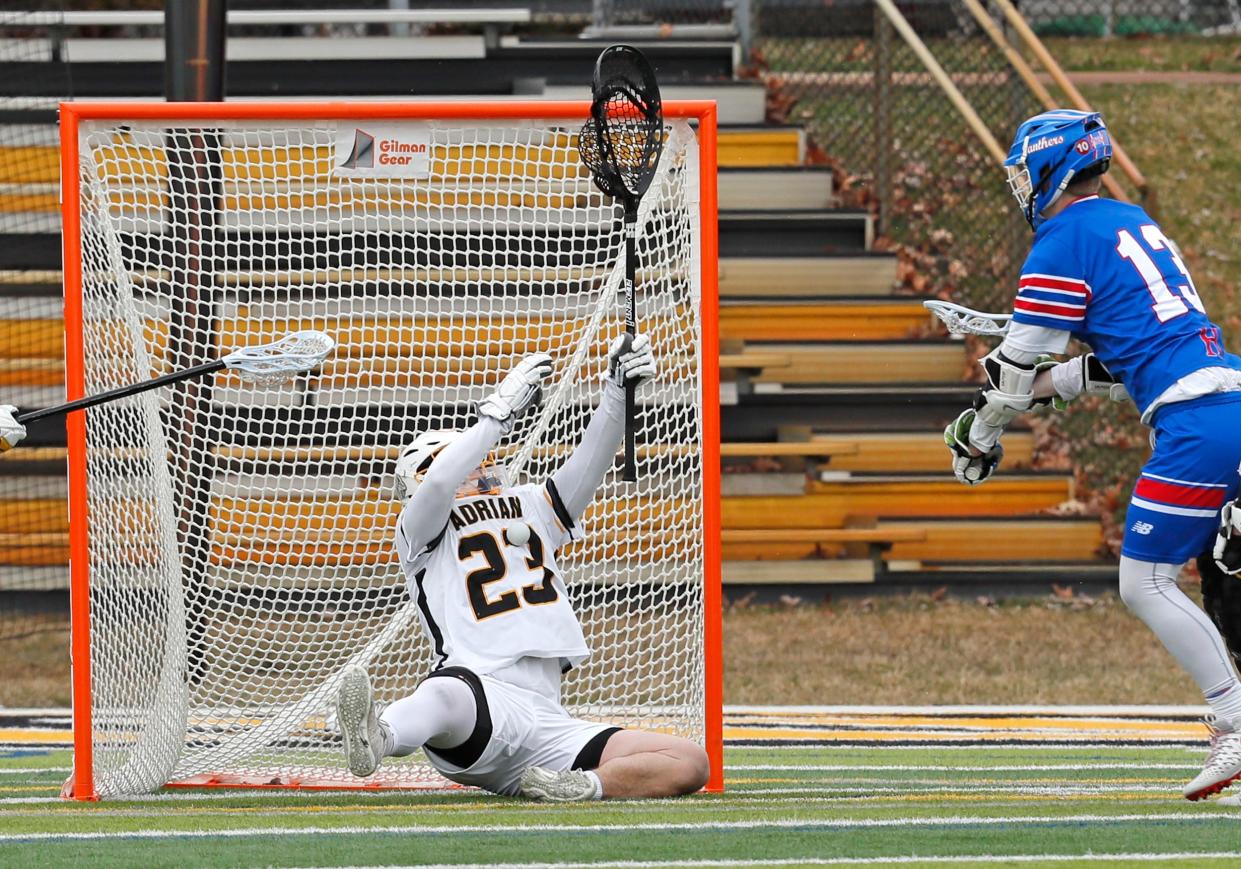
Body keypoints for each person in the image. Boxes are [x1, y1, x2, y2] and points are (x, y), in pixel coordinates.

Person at [944, 109, 1241, 801]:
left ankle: (1231, 717)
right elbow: (1113, 365)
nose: (1020, 187)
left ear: (1049, 167)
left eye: (1023, 172)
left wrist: (979, 434)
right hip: (1225, 396)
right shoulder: (1127, 219)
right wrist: (1036, 388)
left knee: (1145, 582)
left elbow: (1013, 378)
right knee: (1223, 587)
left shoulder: (1060, 238)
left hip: (1198, 422)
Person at [336, 334, 710, 801]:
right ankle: (382, 736)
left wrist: (616, 392)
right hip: (479, 703)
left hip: (550, 723)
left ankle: (577, 787)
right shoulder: (422, 528)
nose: (482, 466)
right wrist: (494, 418)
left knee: (691, 762)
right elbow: (439, 485)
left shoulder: (530, 505)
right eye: (466, 460)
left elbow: (588, 465)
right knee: (443, 695)